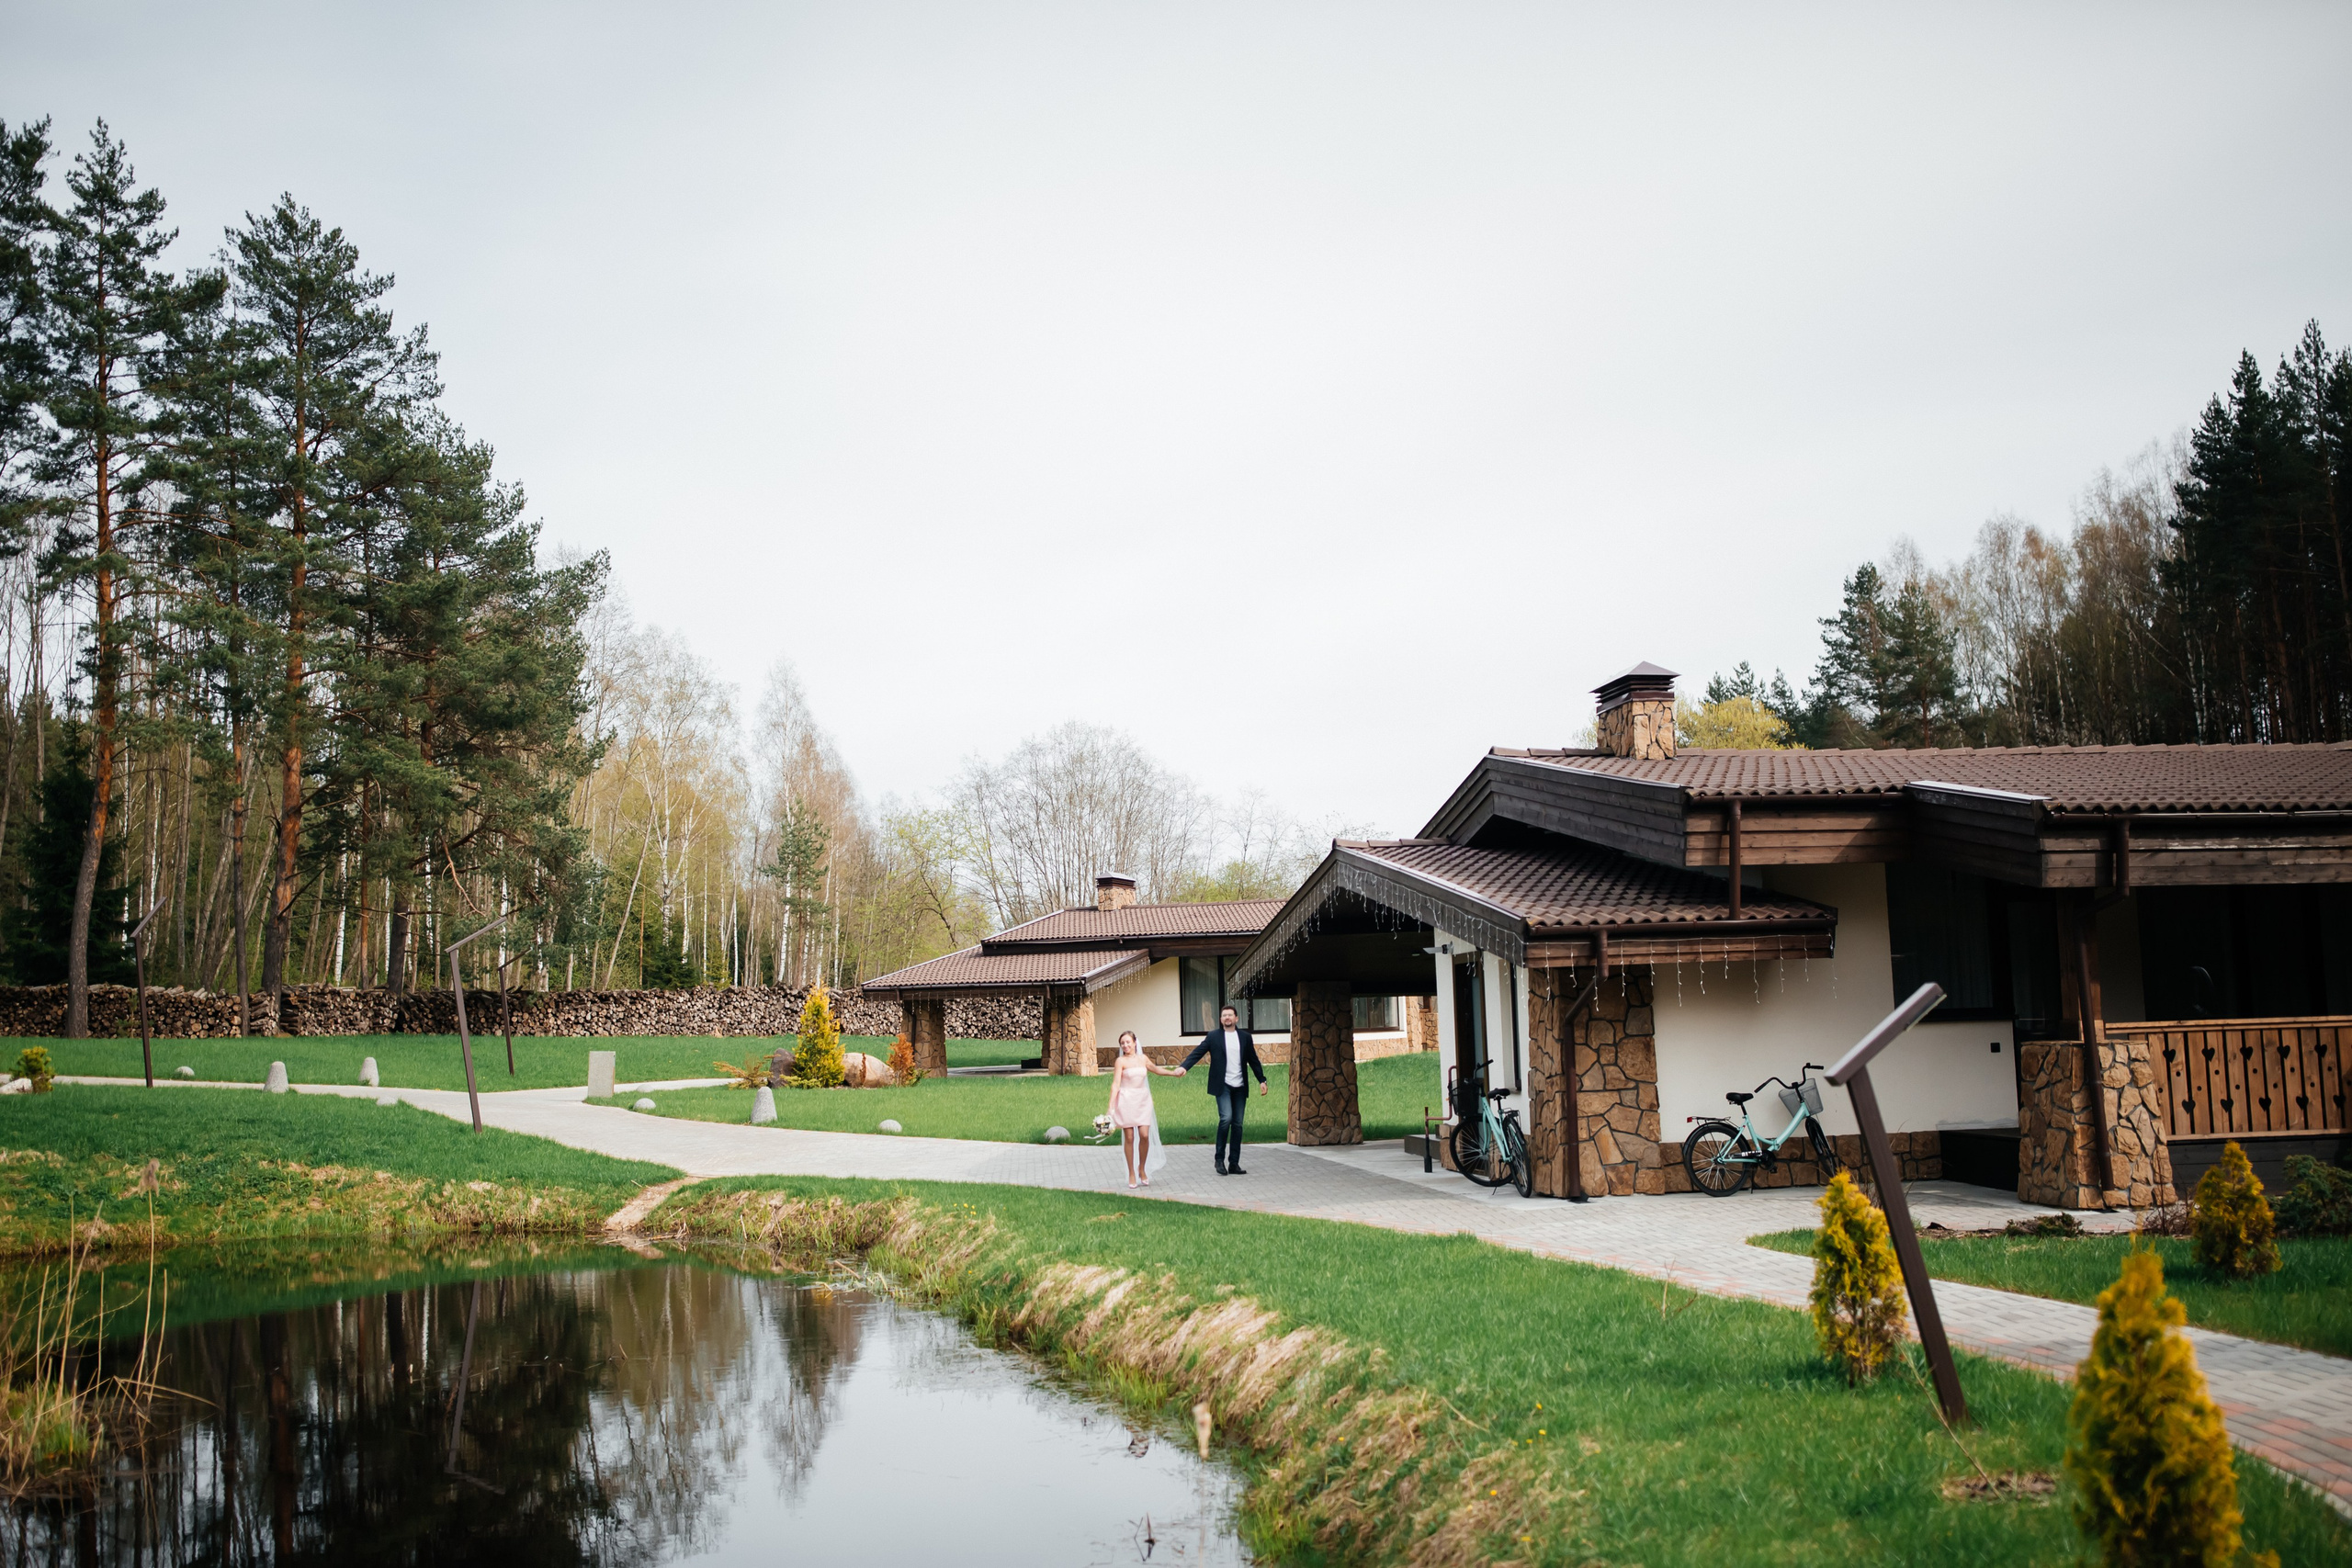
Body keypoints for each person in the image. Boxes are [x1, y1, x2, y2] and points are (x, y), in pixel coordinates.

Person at [1179, 1004, 1267, 1175]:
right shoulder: (1214, 1036)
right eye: (1224, 1015)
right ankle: (1219, 1160)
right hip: (1223, 1085)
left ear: (1236, 1018)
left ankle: (1234, 1163)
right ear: (1221, 1019)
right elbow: (1198, 1052)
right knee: (1226, 1118)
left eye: (1230, 1015)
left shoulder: (1245, 1037)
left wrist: (1261, 1080)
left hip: (1240, 1086)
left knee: (1238, 1124)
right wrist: (1184, 1067)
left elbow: (1253, 1059)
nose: (1227, 1017)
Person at [1106, 1030, 1182, 1187]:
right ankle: (1131, 1173)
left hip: (1142, 1100)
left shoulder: (1143, 1059)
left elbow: (1157, 1070)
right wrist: (1110, 1107)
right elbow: (1116, 1084)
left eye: (1128, 1042)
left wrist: (1173, 1073)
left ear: (1134, 1042)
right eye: (1122, 1043)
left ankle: (1142, 1168)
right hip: (1126, 1100)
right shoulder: (1120, 1061)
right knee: (1129, 1137)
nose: (1125, 1045)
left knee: (1144, 1135)